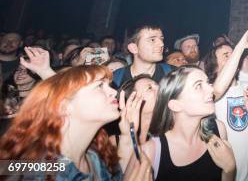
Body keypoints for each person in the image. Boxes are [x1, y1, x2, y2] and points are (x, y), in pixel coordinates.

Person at [0, 65, 152, 180]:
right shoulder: (36, 168)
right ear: (64, 106)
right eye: (100, 86)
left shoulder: (94, 156)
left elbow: (117, 175)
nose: (113, 91)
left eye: (109, 85)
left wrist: (127, 134)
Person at [143, 66, 236, 181]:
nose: (211, 89)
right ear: (175, 105)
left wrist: (229, 170)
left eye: (207, 83)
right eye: (198, 86)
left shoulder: (218, 130)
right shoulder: (151, 152)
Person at [204, 30, 248, 181]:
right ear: (214, 67)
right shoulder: (207, 92)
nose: (233, 57)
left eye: (233, 53)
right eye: (226, 56)